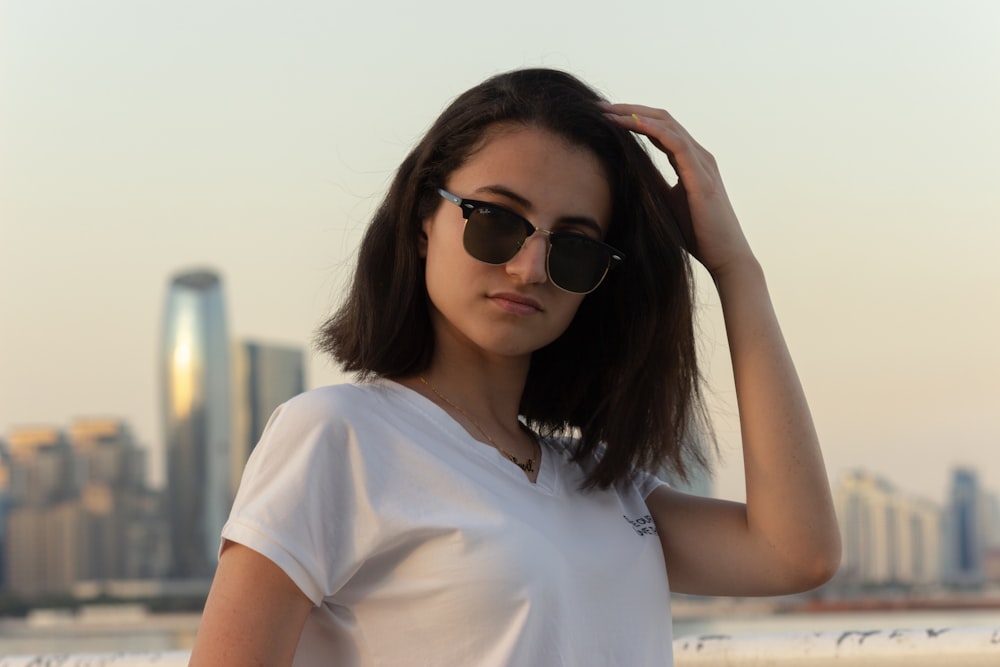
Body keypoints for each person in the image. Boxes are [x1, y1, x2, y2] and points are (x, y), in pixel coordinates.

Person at [189, 68, 841, 666]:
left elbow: (797, 551)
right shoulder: (338, 436)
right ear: (424, 220)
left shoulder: (600, 482)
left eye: (573, 248)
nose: (529, 267)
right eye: (497, 222)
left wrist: (735, 269)